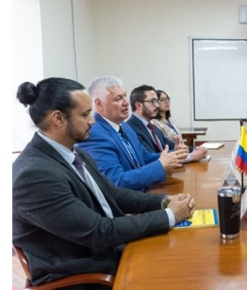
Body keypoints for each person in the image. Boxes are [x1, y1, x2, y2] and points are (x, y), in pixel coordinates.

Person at [13, 77, 196, 289]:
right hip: (84, 276)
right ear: (58, 119)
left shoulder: (75, 152)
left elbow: (113, 194)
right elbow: (99, 232)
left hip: (108, 253)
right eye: (85, 114)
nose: (92, 120)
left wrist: (164, 202)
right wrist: (170, 215)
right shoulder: (35, 175)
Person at [76, 76, 188, 192]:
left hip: (147, 190)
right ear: (99, 104)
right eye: (118, 98)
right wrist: (160, 166)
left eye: (125, 95)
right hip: (129, 204)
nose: (126, 103)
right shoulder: (93, 134)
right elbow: (116, 182)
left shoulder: (125, 126)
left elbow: (144, 158)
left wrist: (174, 154)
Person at [127, 85, 207, 162]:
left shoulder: (153, 127)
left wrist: (193, 149)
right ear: (139, 105)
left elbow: (170, 146)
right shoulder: (130, 129)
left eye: (157, 101)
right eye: (153, 101)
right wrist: (190, 157)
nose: (157, 105)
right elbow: (149, 158)